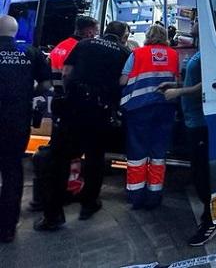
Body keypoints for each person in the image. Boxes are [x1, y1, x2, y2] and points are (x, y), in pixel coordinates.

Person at [34, 21, 131, 231]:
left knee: (60, 159)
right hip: (100, 110)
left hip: (74, 106)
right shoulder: (125, 52)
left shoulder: (86, 44)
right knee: (95, 158)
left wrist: (70, 94)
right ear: (123, 35)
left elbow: (67, 71)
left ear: (104, 32)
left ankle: (54, 215)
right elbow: (124, 82)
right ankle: (89, 203)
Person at [158, 22, 216, 246]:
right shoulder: (199, 50)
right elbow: (193, 81)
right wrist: (175, 83)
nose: (192, 33)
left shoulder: (211, 52)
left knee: (202, 175)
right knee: (198, 173)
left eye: (197, 31)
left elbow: (208, 85)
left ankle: (213, 218)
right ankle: (212, 215)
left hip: (201, 121)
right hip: (192, 119)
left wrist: (179, 91)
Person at [30, 15, 98, 212]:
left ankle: (65, 187)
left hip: (57, 102)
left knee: (59, 149)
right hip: (72, 104)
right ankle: (70, 188)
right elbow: (72, 75)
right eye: (95, 30)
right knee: (71, 152)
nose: (96, 34)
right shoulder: (79, 48)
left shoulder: (61, 46)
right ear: (87, 31)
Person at [0, 15, 51, 242]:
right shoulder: (31, 53)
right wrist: (28, 94)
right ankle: (7, 227)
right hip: (17, 120)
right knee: (13, 171)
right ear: (15, 31)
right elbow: (47, 84)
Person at [120, 24, 179, 209]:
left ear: (148, 36)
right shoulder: (174, 54)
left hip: (139, 107)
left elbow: (123, 80)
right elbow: (176, 80)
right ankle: (155, 194)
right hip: (165, 107)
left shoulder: (137, 53)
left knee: (137, 152)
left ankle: (136, 195)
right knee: (159, 152)